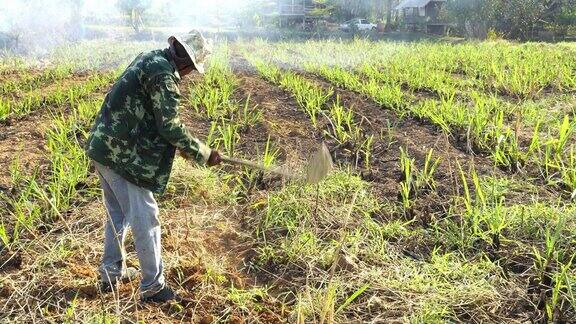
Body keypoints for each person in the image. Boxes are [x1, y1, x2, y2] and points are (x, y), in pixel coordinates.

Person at [85, 30, 221, 303]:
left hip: (104, 147)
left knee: (117, 216)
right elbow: (169, 126)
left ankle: (110, 276)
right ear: (188, 64)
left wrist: (181, 146)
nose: (191, 73)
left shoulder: (150, 58)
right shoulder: (164, 77)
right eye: (193, 68)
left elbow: (151, 117)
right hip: (123, 157)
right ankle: (153, 287)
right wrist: (204, 153)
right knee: (145, 217)